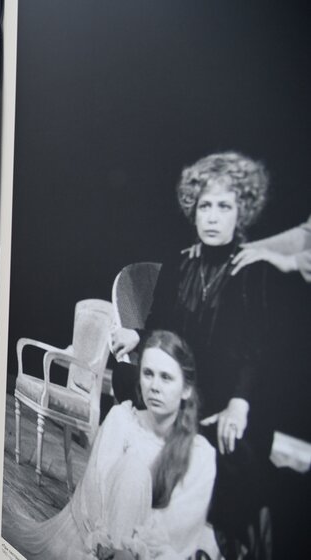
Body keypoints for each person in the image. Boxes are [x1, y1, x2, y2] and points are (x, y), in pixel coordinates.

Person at [111, 152, 275, 558]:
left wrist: (239, 402)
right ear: (193, 210)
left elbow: (256, 348)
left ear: (242, 212)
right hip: (180, 386)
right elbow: (158, 323)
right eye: (205, 206)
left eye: (225, 207)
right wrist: (136, 334)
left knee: (240, 453)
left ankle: (212, 536)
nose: (213, 217)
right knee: (124, 378)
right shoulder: (181, 263)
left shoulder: (254, 269)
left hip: (223, 393)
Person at [18, 331, 217, 560]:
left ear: (186, 389)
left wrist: (136, 549)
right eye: (148, 374)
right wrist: (112, 546)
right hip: (102, 542)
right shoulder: (121, 420)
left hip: (155, 555)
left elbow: (177, 528)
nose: (154, 386)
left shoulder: (200, 454)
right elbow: (95, 494)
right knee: (133, 469)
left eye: (166, 377)